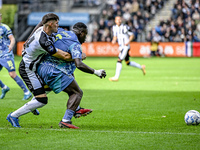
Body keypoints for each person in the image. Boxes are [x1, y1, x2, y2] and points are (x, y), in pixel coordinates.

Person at [7, 22, 106, 129]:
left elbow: (40, 26)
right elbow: (79, 64)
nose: (85, 39)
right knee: (77, 92)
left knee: (45, 94)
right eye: (85, 35)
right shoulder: (75, 43)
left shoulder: (61, 31)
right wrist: (96, 72)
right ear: (81, 33)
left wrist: (27, 41)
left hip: (40, 67)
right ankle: (66, 120)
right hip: (54, 71)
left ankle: (75, 108)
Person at [0, 13, 32, 100]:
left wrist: (11, 46)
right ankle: (4, 87)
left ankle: (26, 92)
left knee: (12, 74)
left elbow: (12, 38)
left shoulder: (4, 28)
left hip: (6, 54)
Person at [109, 16, 146, 82]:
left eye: (120, 19)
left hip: (125, 47)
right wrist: (113, 40)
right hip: (121, 47)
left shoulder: (125, 27)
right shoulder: (114, 28)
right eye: (117, 20)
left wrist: (128, 42)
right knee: (127, 62)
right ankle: (141, 67)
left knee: (119, 60)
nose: (119, 21)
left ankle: (116, 77)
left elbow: (132, 35)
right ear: (115, 21)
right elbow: (115, 36)